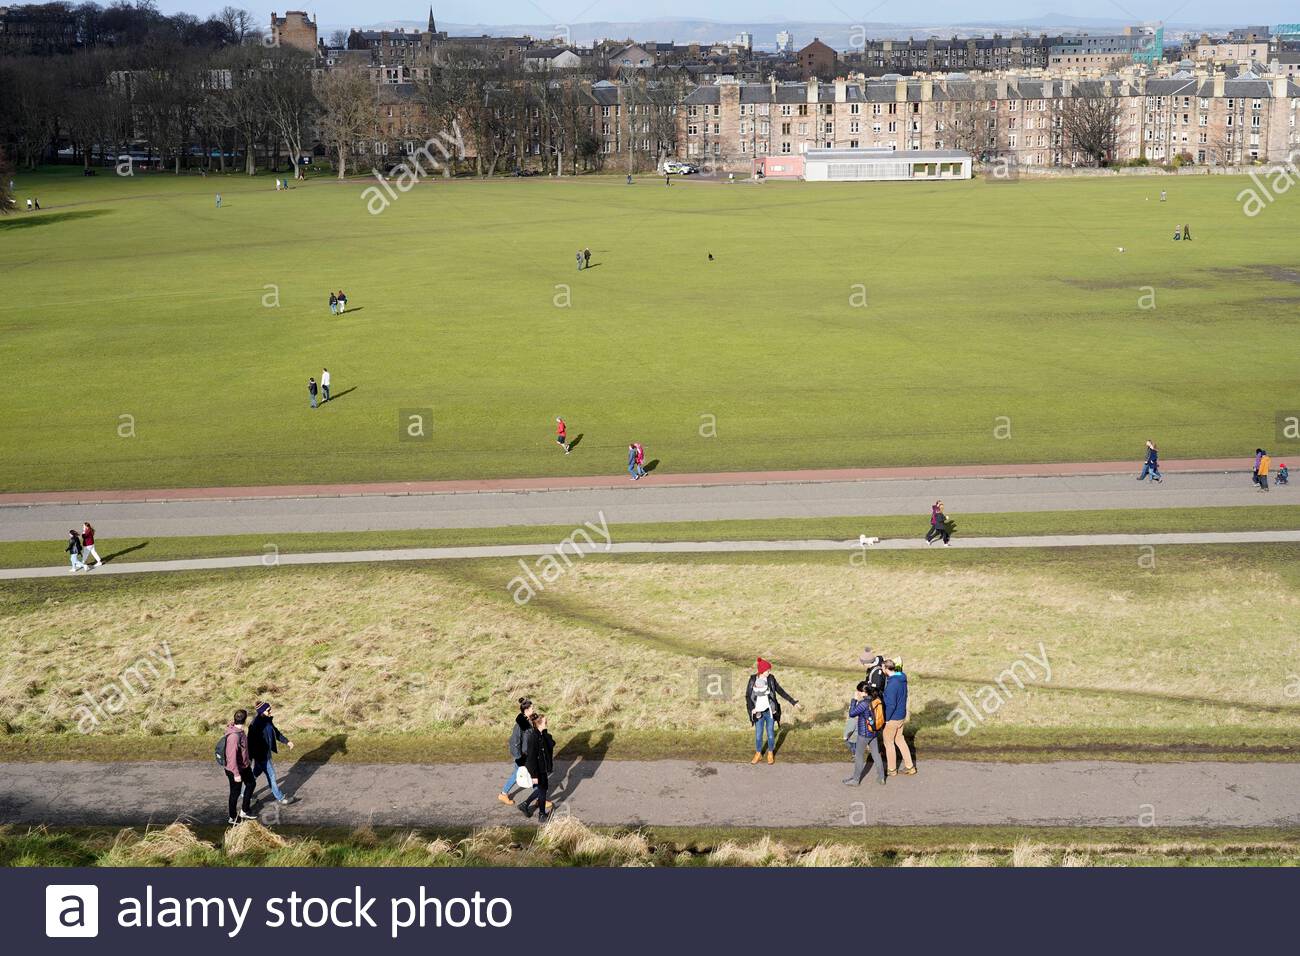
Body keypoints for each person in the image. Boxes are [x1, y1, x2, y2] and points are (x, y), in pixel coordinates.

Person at [745, 657, 798, 764]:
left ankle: (770, 753)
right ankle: (758, 753)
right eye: (767, 670)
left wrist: (793, 702)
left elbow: (780, 691)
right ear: (762, 671)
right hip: (758, 712)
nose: (769, 672)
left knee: (770, 734)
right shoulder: (753, 680)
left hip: (770, 711)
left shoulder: (771, 679)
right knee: (758, 735)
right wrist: (752, 709)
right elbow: (748, 696)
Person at [248, 702, 297, 806]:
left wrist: (287, 741)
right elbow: (250, 743)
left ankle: (245, 794)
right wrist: (250, 758)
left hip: (265, 755)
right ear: (262, 711)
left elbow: (276, 733)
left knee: (254, 774)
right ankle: (281, 798)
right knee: (272, 776)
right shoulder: (255, 725)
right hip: (262, 756)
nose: (271, 711)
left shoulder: (267, 721)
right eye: (268, 710)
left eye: (270, 709)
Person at [844, 681, 887, 786]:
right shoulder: (876, 699)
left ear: (863, 692)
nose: (857, 693)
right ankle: (881, 778)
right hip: (874, 732)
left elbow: (852, 713)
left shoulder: (863, 703)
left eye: (858, 691)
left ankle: (855, 780)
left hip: (864, 733)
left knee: (858, 756)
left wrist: (854, 699)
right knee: (876, 754)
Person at [881, 660, 916, 777]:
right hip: (901, 715)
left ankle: (891, 769)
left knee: (888, 743)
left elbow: (891, 705)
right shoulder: (901, 678)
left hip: (892, 718)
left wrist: (885, 719)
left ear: (886, 668)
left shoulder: (892, 685)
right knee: (900, 740)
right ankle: (910, 767)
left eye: (882, 667)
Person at [222, 708, 257, 823]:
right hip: (234, 770)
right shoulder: (234, 737)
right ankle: (232, 817)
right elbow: (231, 758)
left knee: (251, 783)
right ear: (245, 720)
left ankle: (244, 810)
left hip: (244, 766)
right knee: (235, 793)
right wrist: (236, 774)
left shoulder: (239, 730)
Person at [498, 697, 535, 805]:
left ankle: (503, 794)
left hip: (528, 754)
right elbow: (515, 742)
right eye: (532, 708)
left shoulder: (528, 721)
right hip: (522, 756)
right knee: (532, 774)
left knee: (517, 774)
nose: (533, 710)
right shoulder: (520, 725)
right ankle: (539, 798)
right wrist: (519, 757)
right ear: (526, 710)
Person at [520, 712, 555, 821]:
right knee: (543, 789)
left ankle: (525, 804)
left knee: (542, 789)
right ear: (539, 724)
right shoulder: (533, 738)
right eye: (545, 722)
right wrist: (534, 776)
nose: (547, 723)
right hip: (538, 770)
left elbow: (551, 744)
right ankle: (541, 814)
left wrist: (544, 732)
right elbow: (531, 759)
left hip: (543, 768)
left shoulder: (541, 735)